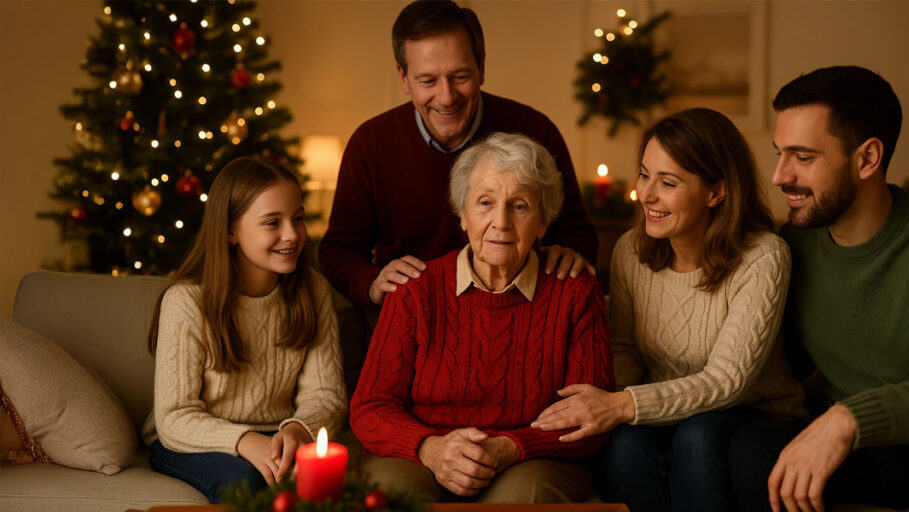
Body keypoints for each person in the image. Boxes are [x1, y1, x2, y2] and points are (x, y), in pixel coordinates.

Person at [729, 66, 909, 512]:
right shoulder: (795, 245)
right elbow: (779, 361)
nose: (779, 176)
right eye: (779, 153)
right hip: (866, 452)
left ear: (867, 158)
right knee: (749, 445)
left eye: (802, 157)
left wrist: (848, 419)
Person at [530, 108, 807, 512]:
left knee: (699, 436)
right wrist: (595, 398)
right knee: (624, 444)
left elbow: (727, 381)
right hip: (663, 409)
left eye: (668, 182)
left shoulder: (763, 257)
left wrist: (622, 405)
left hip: (756, 416)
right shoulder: (631, 251)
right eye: (645, 175)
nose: (646, 194)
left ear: (716, 192)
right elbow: (625, 350)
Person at [349, 133, 614, 503]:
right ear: (463, 215)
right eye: (485, 203)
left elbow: (591, 414)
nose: (500, 222)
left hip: (532, 458)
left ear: (543, 222)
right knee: (392, 492)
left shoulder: (576, 293)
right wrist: (431, 448)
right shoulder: (415, 291)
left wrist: (511, 446)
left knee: (524, 495)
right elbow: (370, 408)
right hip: (424, 454)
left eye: (519, 206)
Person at [318, 0, 598, 311]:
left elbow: (578, 234)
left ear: (481, 67)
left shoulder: (535, 132)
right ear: (403, 77)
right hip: (410, 314)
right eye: (428, 81)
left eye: (460, 76)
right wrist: (371, 283)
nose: (447, 97)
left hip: (518, 312)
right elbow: (338, 250)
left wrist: (569, 254)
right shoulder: (370, 143)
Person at [142, 156, 347, 503]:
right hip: (192, 440)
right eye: (272, 222)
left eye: (298, 218)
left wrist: (298, 430)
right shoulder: (186, 301)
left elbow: (326, 394)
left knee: (318, 480)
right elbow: (175, 418)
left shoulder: (314, 290)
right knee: (245, 482)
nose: (292, 234)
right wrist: (245, 441)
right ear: (230, 231)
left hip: (277, 433)